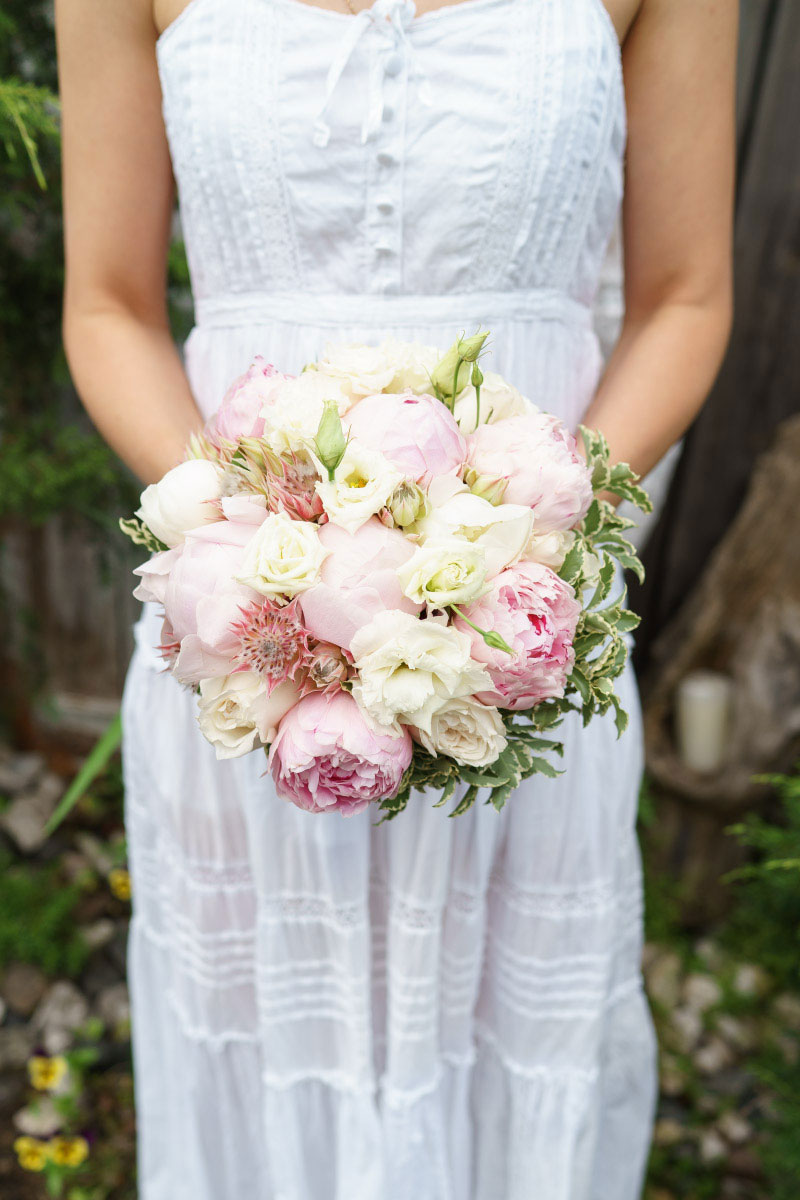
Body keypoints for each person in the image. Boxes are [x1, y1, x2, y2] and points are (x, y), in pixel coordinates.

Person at [55, 0, 737, 1195]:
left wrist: (522, 557)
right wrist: (251, 546)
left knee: (507, 1030)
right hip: (251, 649)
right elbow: (107, 303)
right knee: (262, 1039)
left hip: (520, 642)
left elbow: (683, 297)